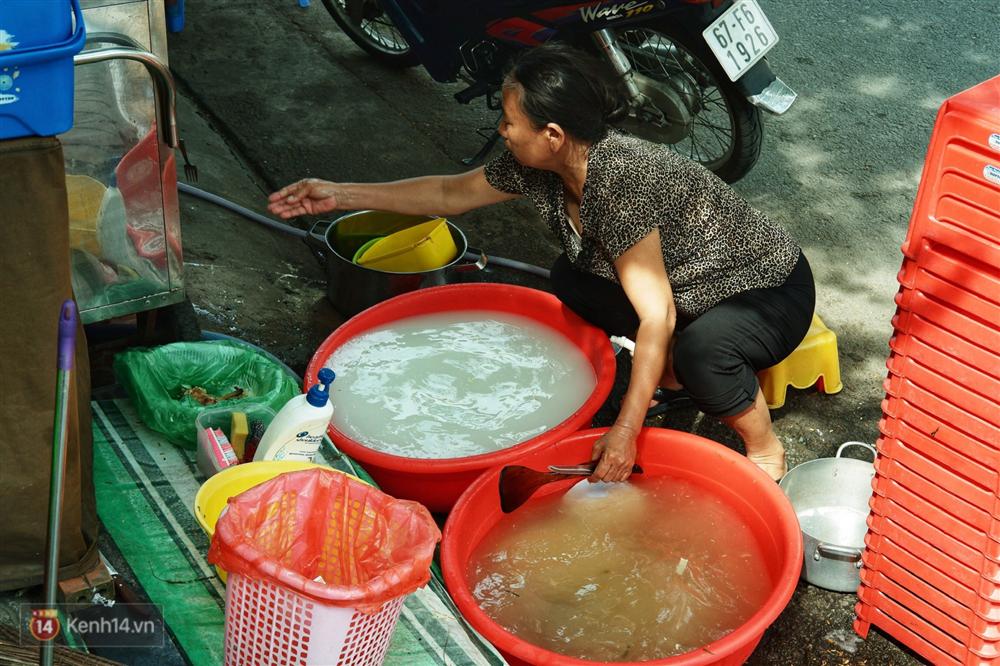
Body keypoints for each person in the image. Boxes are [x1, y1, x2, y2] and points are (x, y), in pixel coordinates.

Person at [268, 42, 815, 484]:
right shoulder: (544, 163)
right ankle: (670, 374)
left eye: (508, 122)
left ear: (551, 135)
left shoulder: (620, 181)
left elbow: (656, 315)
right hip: (690, 283)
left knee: (704, 352)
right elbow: (449, 192)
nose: (502, 131)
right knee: (569, 278)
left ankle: (765, 448)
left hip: (766, 289)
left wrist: (625, 429)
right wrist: (338, 193)